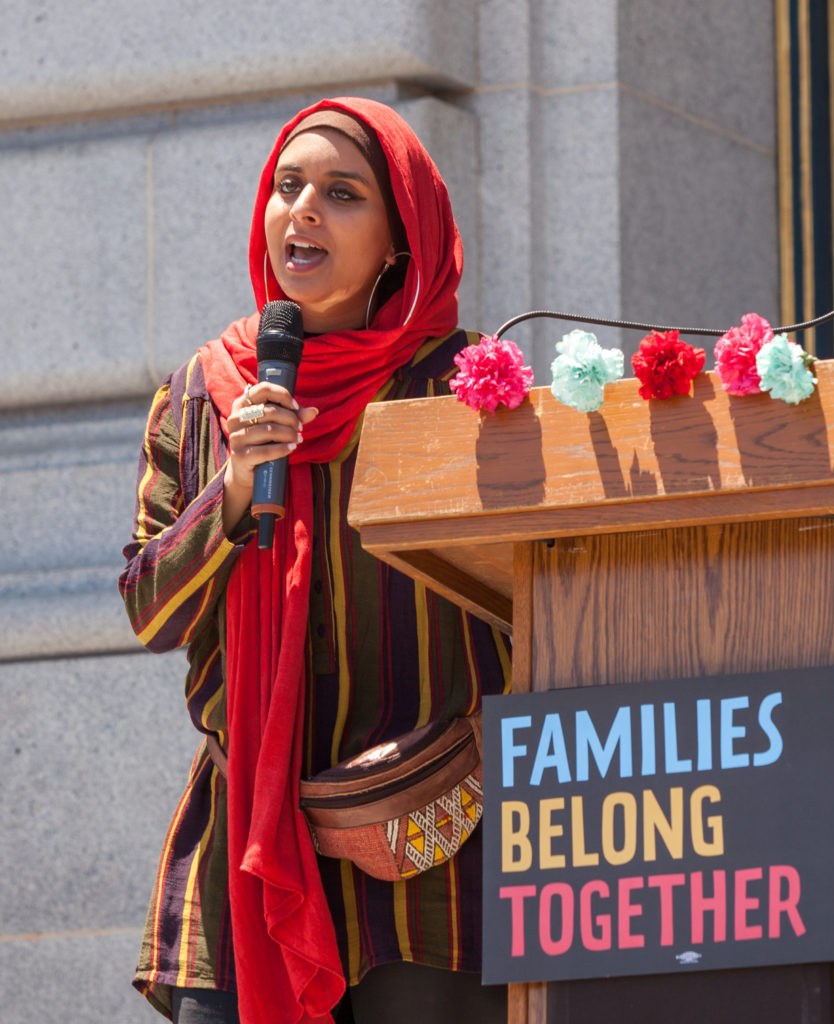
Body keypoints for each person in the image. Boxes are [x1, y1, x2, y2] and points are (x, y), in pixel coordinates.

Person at [119, 97, 511, 1024]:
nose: (303, 210)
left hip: (426, 848)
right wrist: (234, 490)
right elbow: (151, 611)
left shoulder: (464, 390)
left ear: (399, 241)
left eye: (342, 193)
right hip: (249, 845)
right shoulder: (208, 392)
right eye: (288, 186)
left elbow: (531, 595)